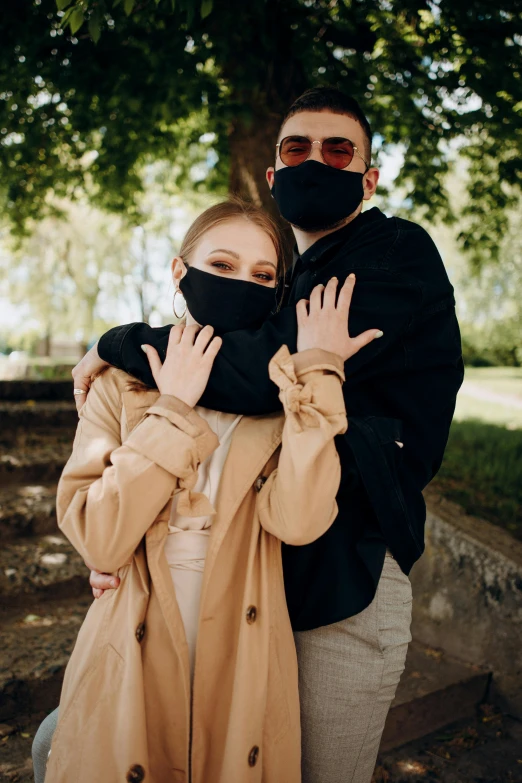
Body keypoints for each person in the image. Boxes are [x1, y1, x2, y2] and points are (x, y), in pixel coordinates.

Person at [34, 87, 464, 783]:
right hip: (252, 577)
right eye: (297, 148)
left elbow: (262, 372)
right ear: (273, 172)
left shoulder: (393, 253)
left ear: (370, 175)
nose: (316, 161)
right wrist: (137, 544)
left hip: (343, 576)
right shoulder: (292, 286)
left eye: (338, 149)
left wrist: (116, 341)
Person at [36, 198, 379, 783]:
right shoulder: (120, 384)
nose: (241, 283)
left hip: (244, 645)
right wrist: (172, 408)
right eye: (221, 265)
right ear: (179, 272)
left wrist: (320, 371)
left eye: (262, 275)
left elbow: (298, 521)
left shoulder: (280, 393)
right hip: (132, 633)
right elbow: (98, 536)